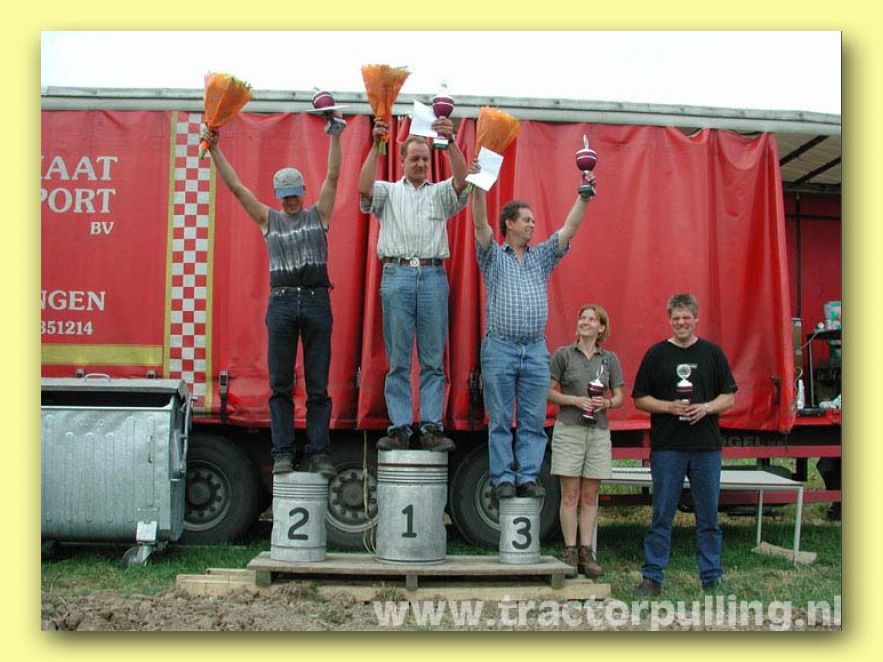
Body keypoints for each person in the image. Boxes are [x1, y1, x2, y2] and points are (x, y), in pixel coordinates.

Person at [200, 111, 344, 477]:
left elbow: (332, 177)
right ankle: (282, 453)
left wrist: (335, 135)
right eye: (285, 195)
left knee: (317, 385)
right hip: (281, 304)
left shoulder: (319, 214)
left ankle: (319, 453)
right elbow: (236, 188)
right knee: (280, 384)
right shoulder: (268, 219)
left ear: (302, 192)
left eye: (295, 194)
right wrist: (214, 149)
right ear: (278, 196)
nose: (291, 200)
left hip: (316, 301)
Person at [471, 166, 597, 499]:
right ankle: (503, 479)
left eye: (533, 221)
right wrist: (479, 186)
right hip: (500, 347)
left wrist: (583, 197)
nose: (532, 225)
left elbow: (568, 230)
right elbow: (480, 225)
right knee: (500, 418)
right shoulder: (493, 257)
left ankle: (527, 476)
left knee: (532, 418)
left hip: (535, 349)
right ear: (510, 224)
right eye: (526, 220)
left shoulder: (541, 257)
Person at [358, 117, 468, 452]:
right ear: (402, 161)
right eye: (414, 158)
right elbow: (364, 188)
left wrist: (451, 142)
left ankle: (432, 426)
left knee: (433, 358)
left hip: (433, 275)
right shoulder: (388, 191)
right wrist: (375, 146)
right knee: (399, 360)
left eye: (424, 159)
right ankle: (400, 428)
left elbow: (462, 182)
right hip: (398, 275)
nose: (420, 164)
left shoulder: (439, 193)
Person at [632, 293, 737, 595]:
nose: (681, 323)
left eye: (686, 318)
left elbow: (729, 396)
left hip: (706, 448)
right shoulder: (656, 355)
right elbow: (640, 398)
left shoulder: (712, 354)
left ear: (696, 318)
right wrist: (670, 407)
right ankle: (652, 577)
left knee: (708, 516)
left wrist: (705, 408)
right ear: (669, 320)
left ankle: (711, 577)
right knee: (662, 515)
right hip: (668, 447)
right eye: (676, 318)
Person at [548, 304, 624, 578]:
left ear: (601, 328)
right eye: (582, 318)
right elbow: (547, 391)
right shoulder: (563, 355)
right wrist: (574, 400)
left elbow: (619, 396)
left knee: (591, 495)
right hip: (569, 429)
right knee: (570, 494)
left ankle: (586, 552)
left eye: (592, 319)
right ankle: (569, 551)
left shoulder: (609, 359)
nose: (586, 322)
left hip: (598, 431)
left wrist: (607, 403)